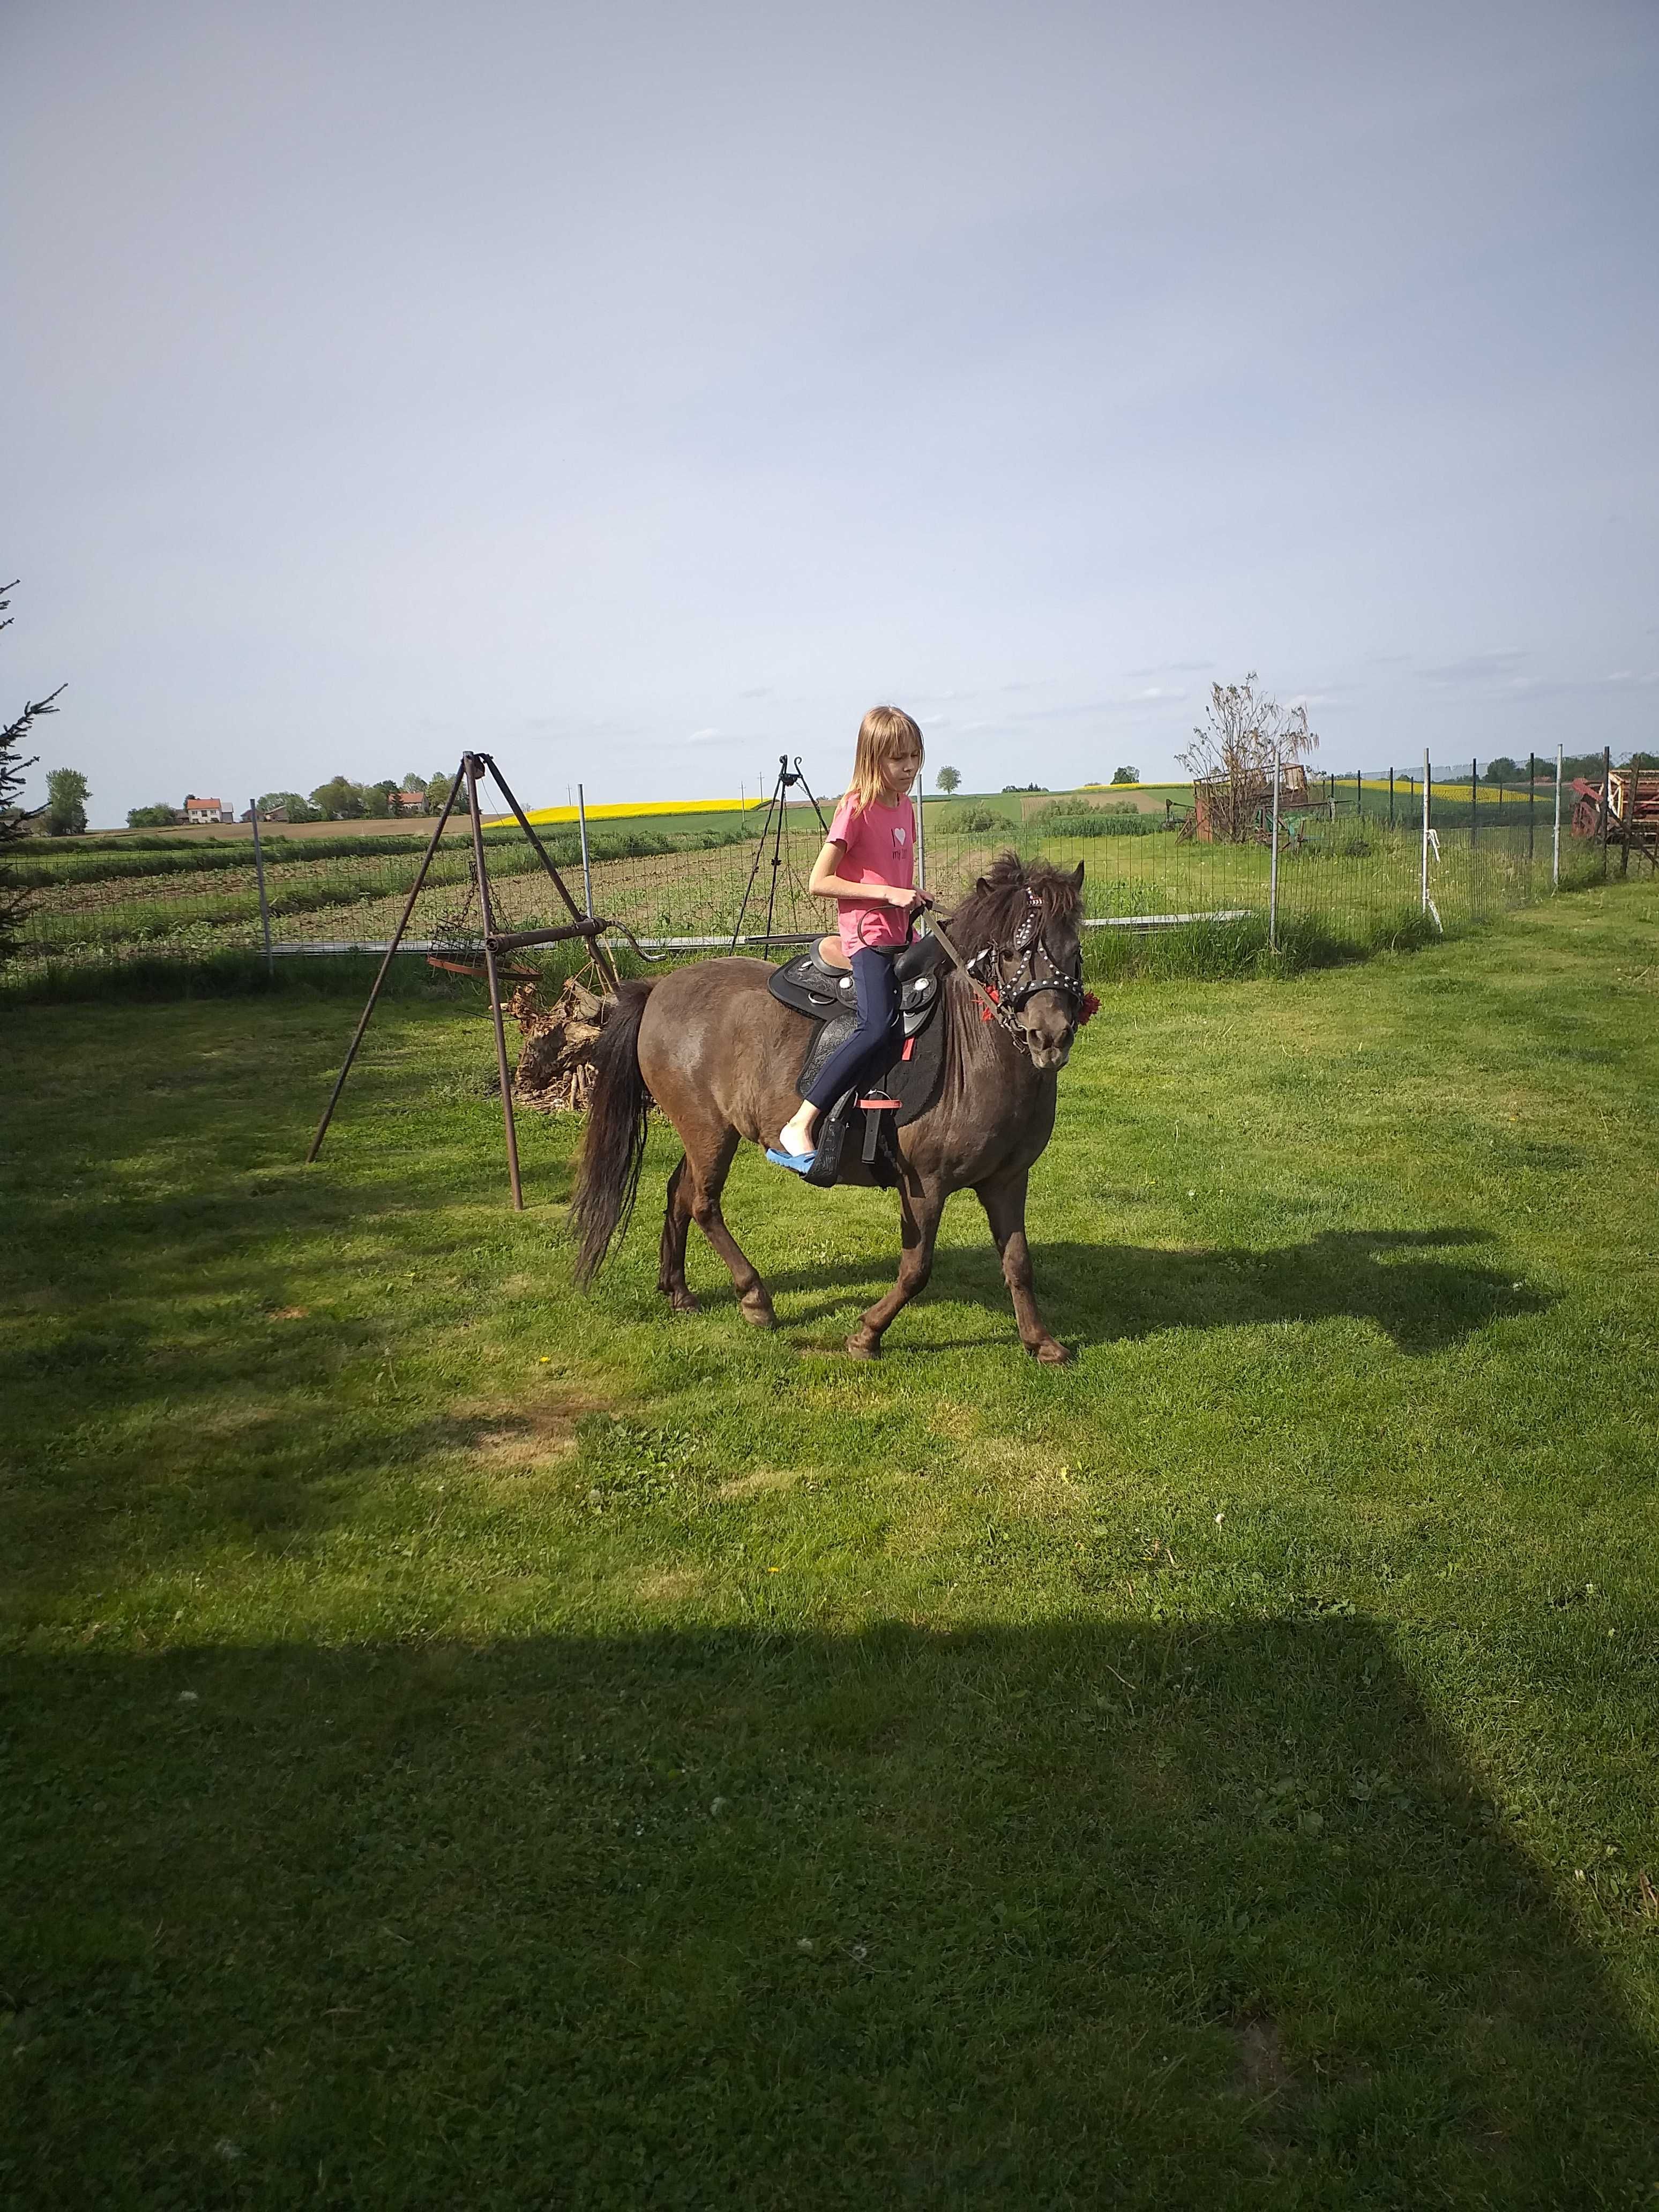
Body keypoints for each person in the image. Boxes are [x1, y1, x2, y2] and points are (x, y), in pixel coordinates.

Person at [768, 705, 931, 1174]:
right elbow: (819, 880)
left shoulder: (904, 806)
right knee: (876, 1026)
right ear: (872, 757)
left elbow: (895, 872)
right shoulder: (855, 808)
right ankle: (800, 1123)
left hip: (901, 931)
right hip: (866, 937)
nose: (910, 768)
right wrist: (886, 893)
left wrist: (911, 895)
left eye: (915, 757)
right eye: (899, 758)